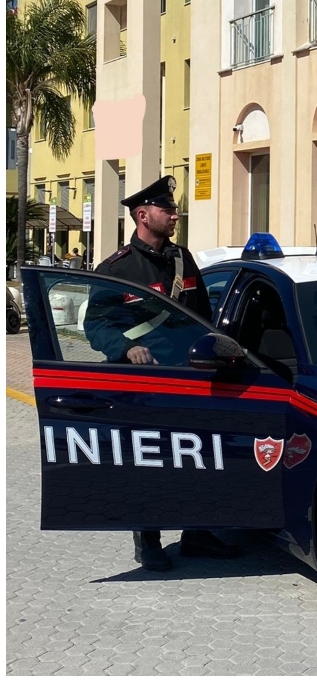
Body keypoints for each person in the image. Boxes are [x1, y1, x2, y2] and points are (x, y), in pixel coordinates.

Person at [83, 175, 240, 571]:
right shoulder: (116, 269)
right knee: (150, 462)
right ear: (142, 215)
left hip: (189, 377)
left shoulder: (182, 260)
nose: (174, 215)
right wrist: (125, 347)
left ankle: (196, 534)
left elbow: (203, 317)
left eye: (173, 209)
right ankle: (148, 539)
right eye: (166, 209)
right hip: (144, 384)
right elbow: (96, 325)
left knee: (197, 458)